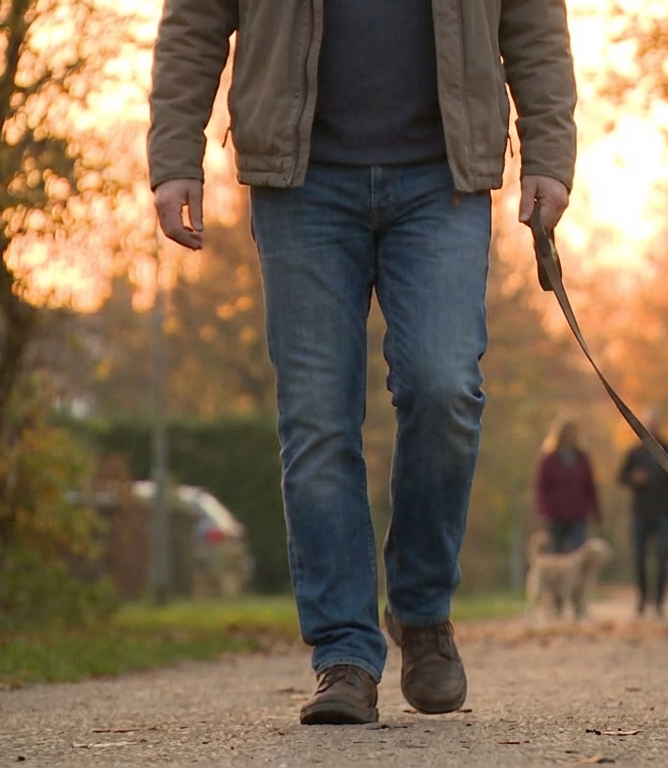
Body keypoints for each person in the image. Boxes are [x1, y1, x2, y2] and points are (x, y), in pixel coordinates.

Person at [148, 0, 577, 726]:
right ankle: (344, 653)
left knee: (446, 387)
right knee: (317, 420)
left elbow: (533, 22)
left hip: (444, 174)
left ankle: (421, 613)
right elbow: (193, 18)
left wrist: (549, 155)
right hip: (300, 179)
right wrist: (172, 158)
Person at [618, 409, 668, 618]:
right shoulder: (634, 453)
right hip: (640, 513)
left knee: (662, 557)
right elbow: (621, 478)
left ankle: (658, 601)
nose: (653, 428)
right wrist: (633, 479)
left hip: (663, 512)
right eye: (650, 424)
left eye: (656, 424)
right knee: (639, 558)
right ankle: (641, 598)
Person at [533, 416, 601, 554]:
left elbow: (590, 486)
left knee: (578, 555)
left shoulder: (583, 458)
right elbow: (542, 487)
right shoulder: (549, 459)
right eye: (567, 433)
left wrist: (595, 510)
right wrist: (543, 511)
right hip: (555, 513)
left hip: (578, 513)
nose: (570, 437)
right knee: (556, 553)